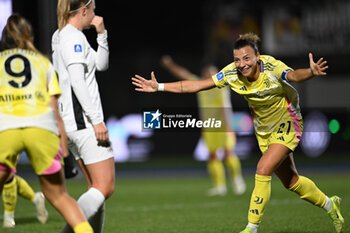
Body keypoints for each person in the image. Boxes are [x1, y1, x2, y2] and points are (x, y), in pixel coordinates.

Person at [132, 33, 344, 233]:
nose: (241, 64)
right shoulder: (231, 72)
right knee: (291, 182)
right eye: (237, 59)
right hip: (263, 129)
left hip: (287, 122)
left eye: (246, 58)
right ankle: (329, 204)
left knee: (262, 169)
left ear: (257, 57)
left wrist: (310, 72)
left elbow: (294, 76)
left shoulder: (271, 66)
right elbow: (196, 85)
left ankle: (251, 228)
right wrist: (158, 86)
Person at [0, 14, 94, 233]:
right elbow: (55, 112)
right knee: (59, 196)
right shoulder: (43, 63)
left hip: (5, 129)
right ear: (28, 36)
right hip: (42, 128)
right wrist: (66, 155)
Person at [52, 0, 115, 232]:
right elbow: (77, 81)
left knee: (94, 187)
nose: (96, 14)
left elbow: (101, 64)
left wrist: (102, 34)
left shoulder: (62, 35)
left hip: (71, 124)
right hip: (84, 123)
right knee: (105, 187)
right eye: (94, 9)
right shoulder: (73, 38)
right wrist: (96, 119)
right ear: (84, 10)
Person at [161, 55, 246, 196]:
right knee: (212, 155)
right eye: (207, 73)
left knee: (227, 153)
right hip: (209, 126)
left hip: (224, 125)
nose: (209, 75)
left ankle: (237, 179)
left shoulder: (221, 85)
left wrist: (228, 127)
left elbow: (224, 105)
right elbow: (184, 75)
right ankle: (220, 186)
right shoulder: (200, 83)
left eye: (212, 72)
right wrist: (170, 65)